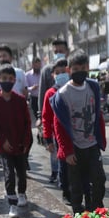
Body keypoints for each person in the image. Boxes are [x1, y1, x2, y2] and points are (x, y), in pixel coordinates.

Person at [51, 50, 108, 214]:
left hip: (92, 144)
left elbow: (98, 114)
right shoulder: (62, 95)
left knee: (98, 179)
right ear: (69, 70)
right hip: (74, 147)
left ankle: (96, 209)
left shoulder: (93, 87)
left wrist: (101, 138)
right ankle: (78, 211)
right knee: (76, 184)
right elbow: (59, 125)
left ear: (88, 68)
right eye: (76, 69)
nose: (80, 72)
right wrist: (66, 151)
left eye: (83, 68)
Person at [0, 64, 32, 218]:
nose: (7, 81)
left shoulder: (20, 100)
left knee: (21, 172)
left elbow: (27, 122)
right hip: (5, 146)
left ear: (15, 80)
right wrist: (2, 140)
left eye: (10, 79)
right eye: (4, 78)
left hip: (20, 144)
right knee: (9, 174)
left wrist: (26, 141)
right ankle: (12, 203)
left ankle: (22, 194)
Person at [41, 58, 69, 190]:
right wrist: (47, 138)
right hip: (54, 133)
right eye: (58, 72)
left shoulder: (73, 90)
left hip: (71, 132)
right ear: (53, 75)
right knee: (55, 156)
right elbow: (46, 116)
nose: (61, 74)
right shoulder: (50, 93)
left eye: (64, 71)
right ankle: (55, 173)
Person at [38, 38, 69, 116]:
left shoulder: (72, 68)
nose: (58, 54)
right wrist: (40, 115)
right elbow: (42, 94)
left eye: (61, 51)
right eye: (55, 52)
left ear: (67, 52)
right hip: (52, 111)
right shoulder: (46, 70)